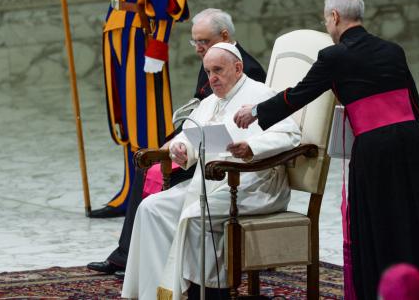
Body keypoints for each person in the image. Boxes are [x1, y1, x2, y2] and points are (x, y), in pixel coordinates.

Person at [233, 0, 419, 299]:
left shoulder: (334, 56)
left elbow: (299, 94)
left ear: (334, 18)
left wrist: (257, 111)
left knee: (381, 223)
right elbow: (415, 106)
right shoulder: (393, 49)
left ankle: (388, 289)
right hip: (413, 144)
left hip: (373, 150)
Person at [87, 8, 267, 277]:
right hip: (199, 144)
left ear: (225, 36)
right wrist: (177, 141)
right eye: (195, 42)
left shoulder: (249, 70)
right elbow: (201, 109)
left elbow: (249, 127)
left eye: (203, 41)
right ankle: (130, 255)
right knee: (149, 162)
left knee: (152, 167)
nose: (198, 49)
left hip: (223, 158)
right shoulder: (212, 58)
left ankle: (134, 256)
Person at [121, 43, 301, 300]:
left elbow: (291, 134)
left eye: (218, 70)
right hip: (209, 185)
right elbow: (189, 136)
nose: (211, 78)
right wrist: (182, 150)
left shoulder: (261, 94)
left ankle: (203, 293)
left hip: (254, 185)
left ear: (238, 68)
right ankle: (156, 294)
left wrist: (251, 147)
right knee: (152, 208)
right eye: (207, 71)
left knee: (195, 216)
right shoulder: (210, 101)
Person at [90, 0, 189, 217]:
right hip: (116, 25)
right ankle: (129, 191)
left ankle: (149, 190)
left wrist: (158, 46)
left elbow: (168, 1)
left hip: (141, 33)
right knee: (125, 117)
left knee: (146, 120)